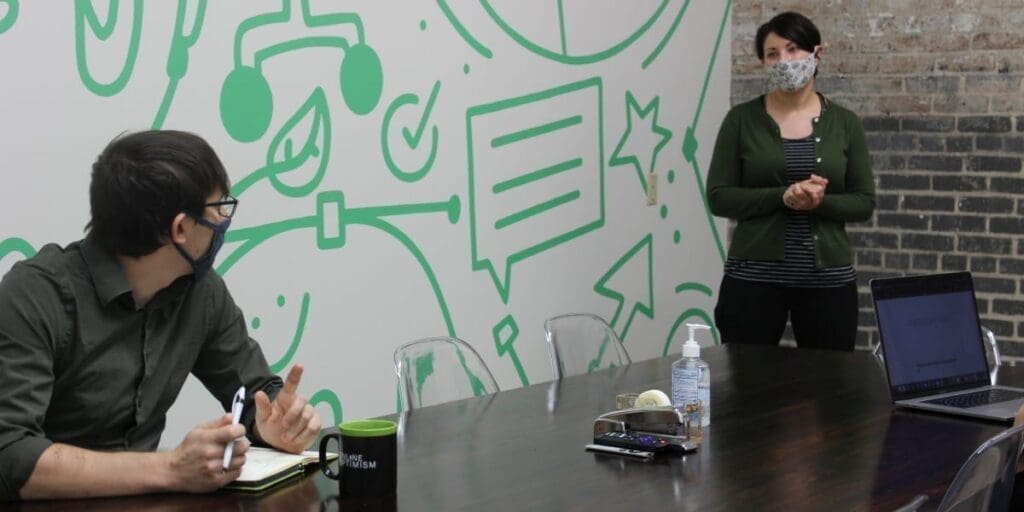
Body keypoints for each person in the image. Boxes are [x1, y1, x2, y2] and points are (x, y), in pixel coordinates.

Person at [0, 130, 322, 500]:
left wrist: (275, 427)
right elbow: (10, 454)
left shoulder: (201, 292)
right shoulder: (36, 295)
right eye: (219, 208)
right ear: (181, 229)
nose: (223, 221)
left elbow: (255, 396)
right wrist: (171, 469)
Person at [706, 11, 875, 352]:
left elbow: (864, 201)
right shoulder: (741, 120)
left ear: (817, 53)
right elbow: (719, 197)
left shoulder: (845, 123)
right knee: (745, 382)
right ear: (763, 62)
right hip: (752, 278)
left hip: (827, 281)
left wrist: (820, 202)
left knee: (829, 385)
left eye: (793, 49)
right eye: (773, 54)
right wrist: (782, 196)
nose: (784, 60)